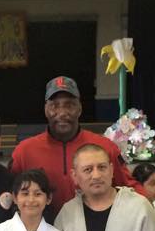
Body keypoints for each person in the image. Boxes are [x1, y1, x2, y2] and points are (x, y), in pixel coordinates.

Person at [10, 75, 144, 216]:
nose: (62, 113)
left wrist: (154, 206)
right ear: (45, 109)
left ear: (79, 108)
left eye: (69, 105)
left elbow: (128, 187)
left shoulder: (104, 147)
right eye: (55, 106)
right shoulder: (24, 151)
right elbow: (10, 195)